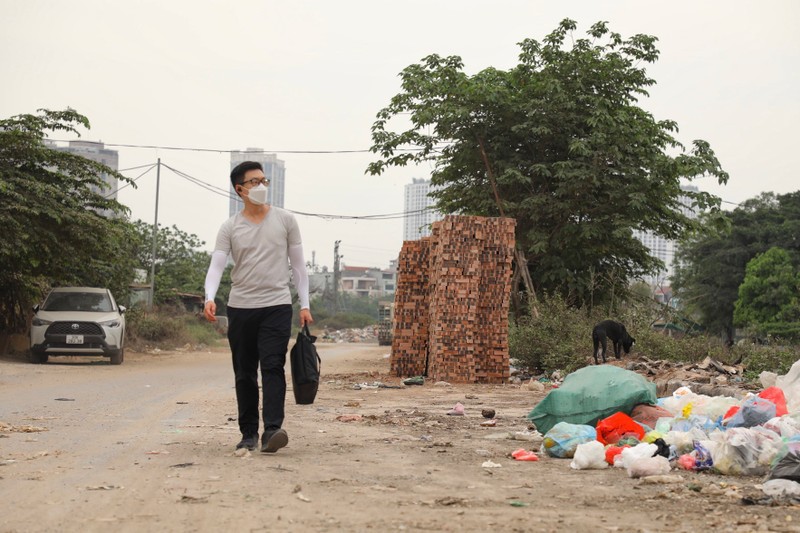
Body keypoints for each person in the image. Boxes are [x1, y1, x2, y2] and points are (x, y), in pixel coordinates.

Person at [203, 161, 313, 453]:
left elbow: (299, 267)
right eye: (254, 182)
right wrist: (209, 296)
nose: (261, 186)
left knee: (273, 366)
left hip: (276, 305)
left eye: (264, 180)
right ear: (240, 189)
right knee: (244, 372)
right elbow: (216, 266)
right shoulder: (230, 227)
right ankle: (249, 433)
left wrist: (305, 303)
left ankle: (273, 430)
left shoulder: (286, 220)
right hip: (241, 307)